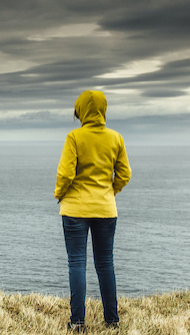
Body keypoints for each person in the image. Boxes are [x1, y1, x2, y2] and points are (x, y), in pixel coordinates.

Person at [54, 90, 131, 332]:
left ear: (80, 111)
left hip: (75, 208)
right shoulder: (116, 138)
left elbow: (66, 174)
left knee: (77, 263)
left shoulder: (74, 137)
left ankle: (77, 323)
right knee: (105, 263)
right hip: (106, 209)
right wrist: (109, 192)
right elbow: (125, 174)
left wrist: (59, 194)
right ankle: (112, 320)